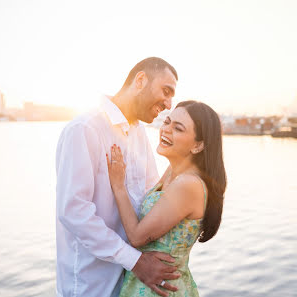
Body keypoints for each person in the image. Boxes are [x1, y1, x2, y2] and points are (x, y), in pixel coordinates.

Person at [56, 57, 180, 297]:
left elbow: (151, 197)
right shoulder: (85, 129)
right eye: (166, 92)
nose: (168, 103)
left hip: (130, 284)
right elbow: (73, 211)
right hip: (91, 286)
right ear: (141, 81)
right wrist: (136, 261)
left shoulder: (139, 132)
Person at [107, 100, 227, 296]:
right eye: (167, 122)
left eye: (178, 128)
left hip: (161, 288)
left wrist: (118, 186)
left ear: (198, 145)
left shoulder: (188, 184)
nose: (166, 130)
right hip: (149, 282)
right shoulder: (173, 171)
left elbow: (137, 237)